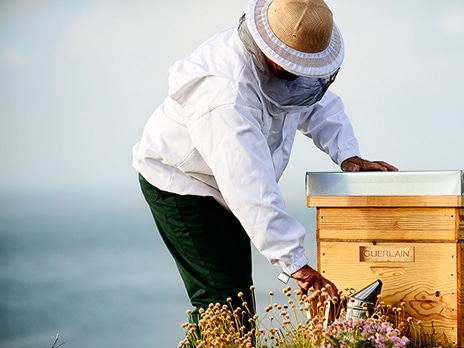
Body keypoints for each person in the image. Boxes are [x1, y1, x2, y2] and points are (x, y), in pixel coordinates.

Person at [132, 0, 397, 328]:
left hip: (225, 185)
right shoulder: (225, 92)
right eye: (289, 64)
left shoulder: (296, 62)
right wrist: (296, 266)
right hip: (181, 181)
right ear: (266, 42)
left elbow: (316, 102)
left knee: (238, 297)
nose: (295, 74)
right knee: (223, 304)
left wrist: (349, 155)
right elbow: (248, 182)